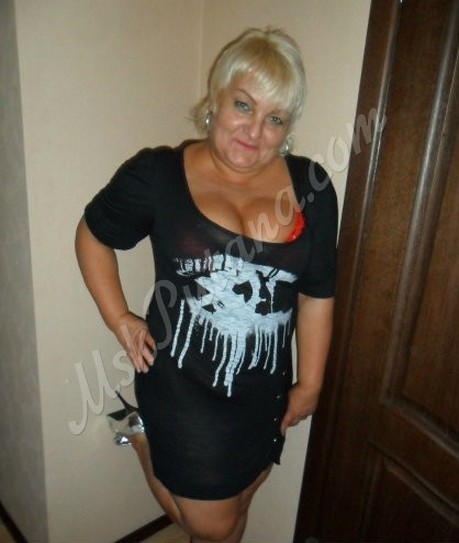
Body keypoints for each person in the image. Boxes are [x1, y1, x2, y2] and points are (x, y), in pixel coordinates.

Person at [75, 27, 337, 543]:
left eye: (275, 119)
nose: (254, 131)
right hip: (183, 387)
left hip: (263, 385)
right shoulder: (157, 176)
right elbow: (93, 236)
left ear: (288, 128)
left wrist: (310, 383)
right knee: (211, 524)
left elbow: (316, 293)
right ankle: (141, 433)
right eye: (243, 105)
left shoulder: (312, 188)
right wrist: (120, 319)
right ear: (215, 99)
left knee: (239, 502)